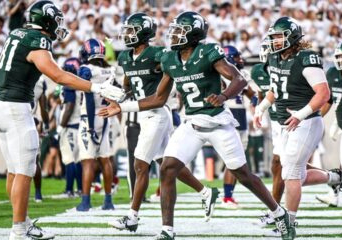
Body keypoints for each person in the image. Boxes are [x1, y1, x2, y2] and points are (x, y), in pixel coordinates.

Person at [100, 11, 291, 240]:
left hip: (218, 122)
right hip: (191, 122)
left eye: (180, 30)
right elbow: (158, 99)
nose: (173, 35)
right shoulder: (170, 59)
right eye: (174, 30)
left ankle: (279, 214)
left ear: (194, 33)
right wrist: (123, 107)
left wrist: (223, 96)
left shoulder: (207, 52)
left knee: (244, 175)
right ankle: (167, 230)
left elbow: (239, 79)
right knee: (167, 168)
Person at [0, 1, 124, 239]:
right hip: (15, 108)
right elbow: (59, 76)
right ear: (47, 20)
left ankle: (23, 222)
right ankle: (19, 229)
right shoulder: (38, 40)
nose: (58, 25)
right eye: (56, 19)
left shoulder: (16, 35)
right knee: (24, 171)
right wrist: (96, 87)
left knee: (14, 170)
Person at [107, 13, 219, 233]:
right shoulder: (124, 57)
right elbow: (128, 83)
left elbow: (176, 68)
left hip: (157, 113)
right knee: (165, 164)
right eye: (127, 30)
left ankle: (132, 216)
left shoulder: (159, 53)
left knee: (140, 165)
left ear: (144, 32)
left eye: (132, 30)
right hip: (143, 114)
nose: (127, 34)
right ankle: (205, 192)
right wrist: (117, 93)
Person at [253, 17, 342, 239]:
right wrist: (262, 107)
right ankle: (336, 178)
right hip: (287, 122)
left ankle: (289, 223)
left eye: (278, 37)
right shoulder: (275, 58)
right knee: (294, 174)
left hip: (307, 122)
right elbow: (275, 88)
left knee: (291, 173)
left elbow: (324, 93)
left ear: (291, 37)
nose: (274, 41)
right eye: (273, 37)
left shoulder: (306, 58)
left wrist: (301, 114)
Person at [75, 39, 116, 211]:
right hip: (106, 115)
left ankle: (85, 202)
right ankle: (108, 201)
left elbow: (90, 98)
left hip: (90, 117)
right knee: (104, 158)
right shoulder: (109, 69)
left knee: (88, 161)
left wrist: (90, 126)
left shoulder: (86, 70)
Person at [251, 39, 285, 226]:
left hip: (292, 119)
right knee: (282, 164)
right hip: (276, 121)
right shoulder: (257, 71)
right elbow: (262, 93)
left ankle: (276, 210)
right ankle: (334, 177)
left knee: (281, 163)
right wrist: (258, 110)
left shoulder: (287, 67)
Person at [220, 45, 256, 209]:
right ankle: (227, 197)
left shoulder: (243, 74)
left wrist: (257, 104)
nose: (240, 60)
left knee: (236, 161)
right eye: (236, 57)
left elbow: (252, 95)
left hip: (240, 118)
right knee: (233, 161)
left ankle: (228, 196)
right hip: (226, 117)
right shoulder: (219, 73)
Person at [316, 41, 342, 207]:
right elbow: (328, 100)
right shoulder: (333, 73)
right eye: (340, 57)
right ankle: (334, 195)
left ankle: (334, 195)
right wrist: (317, 117)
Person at [58, 57, 83, 198]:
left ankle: (69, 190)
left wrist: (61, 126)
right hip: (78, 125)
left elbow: (70, 106)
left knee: (69, 159)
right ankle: (79, 189)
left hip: (71, 126)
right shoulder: (78, 84)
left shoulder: (69, 85)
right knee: (77, 159)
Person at [31, 73, 50, 203]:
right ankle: (38, 193)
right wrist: (46, 125)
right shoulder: (40, 80)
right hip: (32, 122)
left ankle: (16, 194)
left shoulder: (16, 73)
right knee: (35, 160)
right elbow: (44, 108)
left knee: (14, 163)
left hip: (14, 119)